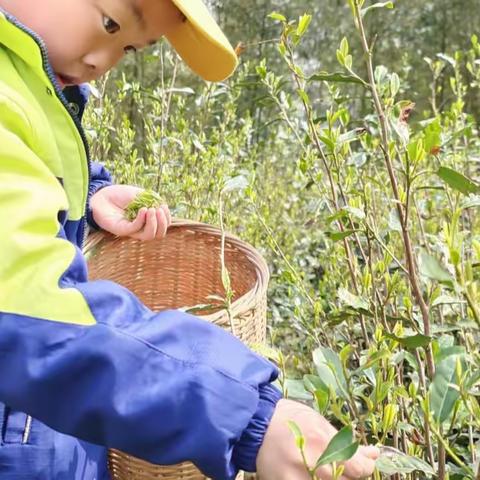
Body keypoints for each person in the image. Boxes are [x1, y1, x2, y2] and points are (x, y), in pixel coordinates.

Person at [0, 0, 379, 479]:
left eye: (130, 48)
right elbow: (33, 308)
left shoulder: (27, 85)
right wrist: (246, 414)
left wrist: (85, 197)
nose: (102, 62)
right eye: (111, 23)